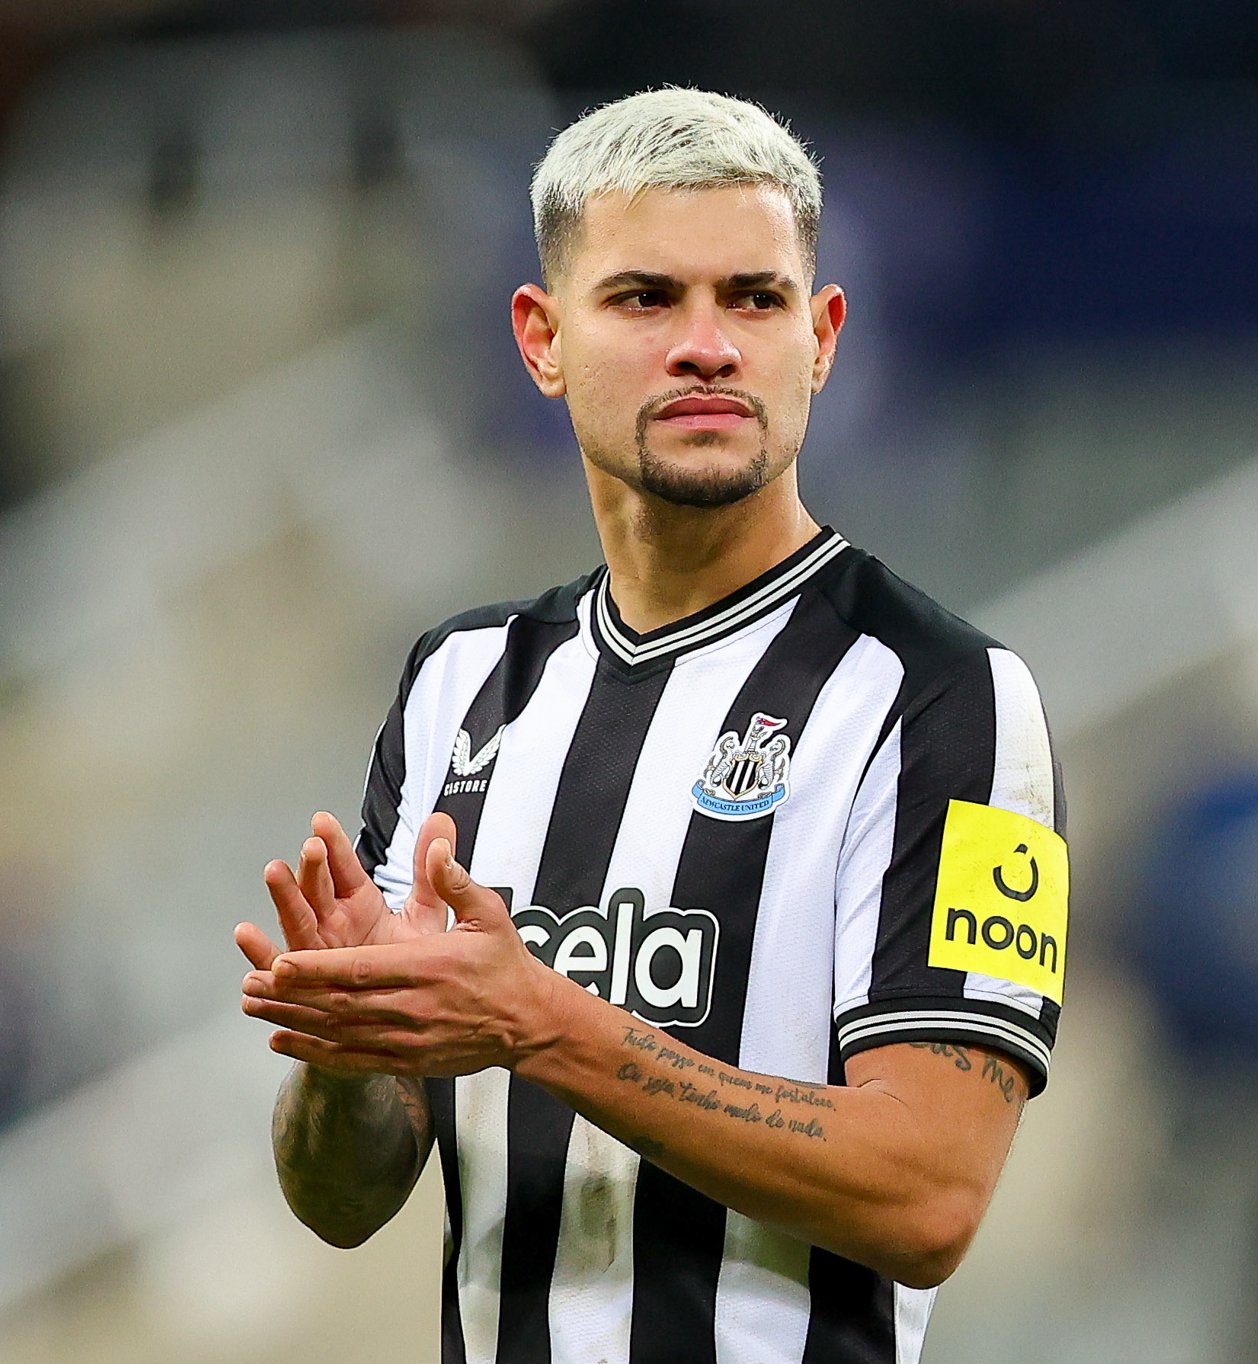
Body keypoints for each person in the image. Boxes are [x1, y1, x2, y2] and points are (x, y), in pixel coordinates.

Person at [236, 88, 1069, 1364]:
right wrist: (350, 1052)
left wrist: (541, 1019)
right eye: (644, 299)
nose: (707, 346)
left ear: (821, 337)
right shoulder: (461, 681)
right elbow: (342, 1202)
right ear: (541, 337)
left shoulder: (944, 697)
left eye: (754, 298)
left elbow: (927, 1192)